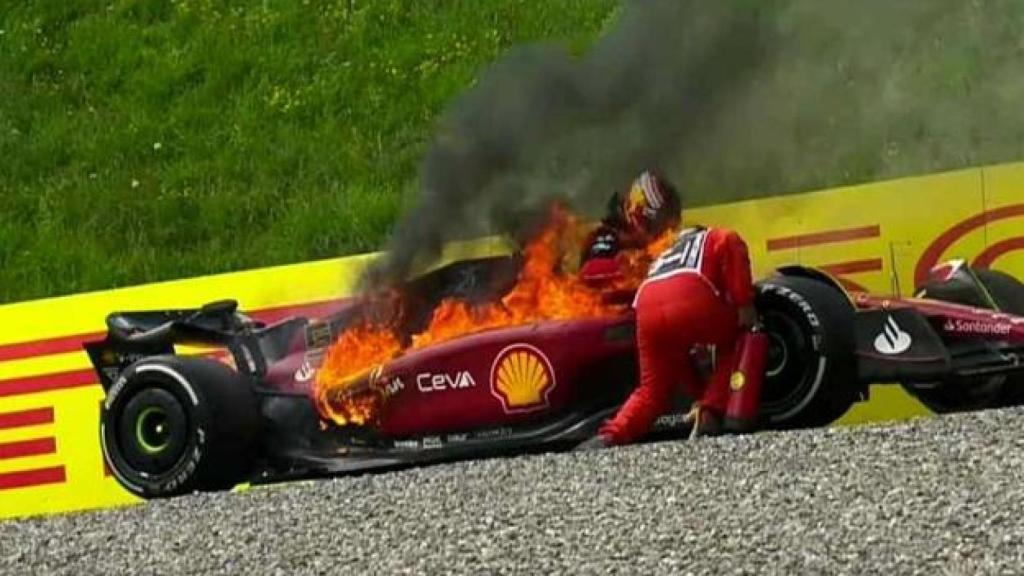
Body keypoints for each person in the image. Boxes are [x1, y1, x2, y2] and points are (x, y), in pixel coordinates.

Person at [578, 174, 757, 449]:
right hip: (689, 295)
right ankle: (712, 415)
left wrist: (701, 394)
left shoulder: (660, 253)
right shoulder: (713, 235)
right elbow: (730, 241)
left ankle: (608, 437)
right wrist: (745, 306)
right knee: (737, 341)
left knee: (651, 390)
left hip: (647, 304)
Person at [577, 170, 682, 285]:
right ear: (636, 217)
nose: (663, 236)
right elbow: (590, 271)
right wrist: (636, 269)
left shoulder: (647, 245)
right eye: (658, 228)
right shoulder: (604, 238)